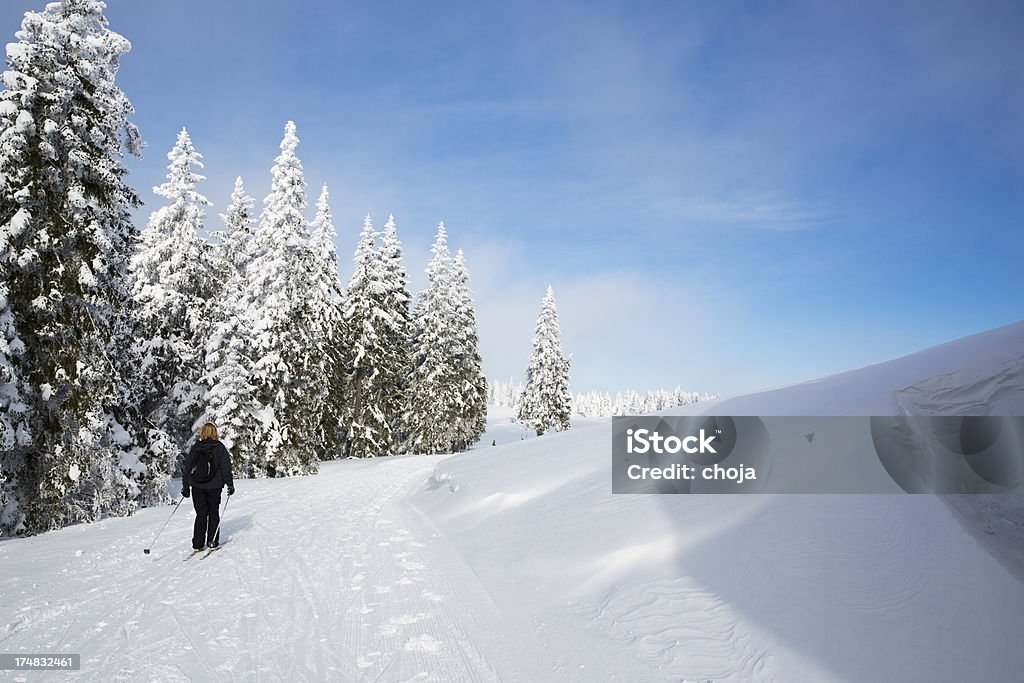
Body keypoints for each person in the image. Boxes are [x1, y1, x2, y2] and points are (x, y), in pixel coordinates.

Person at [182, 422, 235, 551]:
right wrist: (230, 484)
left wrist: (185, 485)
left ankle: (197, 544)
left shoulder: (196, 447)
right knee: (213, 513)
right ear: (215, 432)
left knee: (201, 514)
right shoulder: (220, 448)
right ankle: (212, 541)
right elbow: (225, 467)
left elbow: (188, 467)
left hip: (197, 486)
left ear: (202, 433)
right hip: (214, 487)